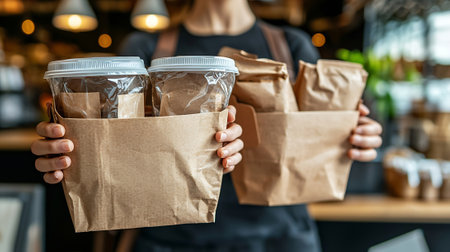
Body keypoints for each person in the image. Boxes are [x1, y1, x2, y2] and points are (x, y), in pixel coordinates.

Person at [32, 0, 382, 251]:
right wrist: (72, 151)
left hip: (281, 239)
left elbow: (329, 137)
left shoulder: (292, 46)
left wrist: (355, 136)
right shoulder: (144, 50)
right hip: (168, 240)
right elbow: (116, 158)